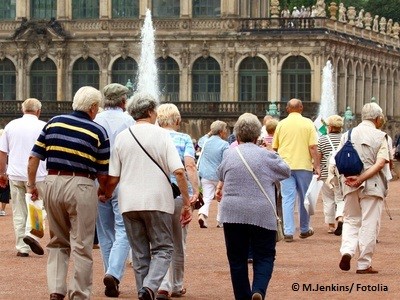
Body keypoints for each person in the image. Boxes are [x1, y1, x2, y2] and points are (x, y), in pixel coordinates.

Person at [100, 92, 192, 300]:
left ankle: (144, 291)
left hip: (129, 203)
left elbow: (113, 177)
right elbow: (178, 171)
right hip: (158, 201)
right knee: (164, 248)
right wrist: (186, 201)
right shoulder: (162, 135)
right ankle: (150, 287)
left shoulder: (123, 137)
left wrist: (105, 194)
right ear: (151, 111)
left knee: (140, 253)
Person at [27, 86, 110, 300]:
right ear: (93, 107)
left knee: (57, 240)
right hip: (82, 184)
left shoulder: (53, 122)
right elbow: (103, 171)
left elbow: (34, 157)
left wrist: (31, 185)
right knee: (82, 243)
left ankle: (56, 290)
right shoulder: (98, 131)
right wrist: (105, 191)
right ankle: (79, 294)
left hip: (52, 181)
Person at [215, 113, 290, 300]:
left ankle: (242, 297)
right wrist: (272, 151)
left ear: (237, 135)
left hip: (232, 212)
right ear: (258, 135)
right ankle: (258, 290)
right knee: (264, 255)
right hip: (261, 211)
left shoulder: (229, 154)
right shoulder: (266, 155)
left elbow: (220, 173)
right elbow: (285, 171)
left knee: (236, 259)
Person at [338, 102, 389, 274]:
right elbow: (381, 163)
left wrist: (352, 179)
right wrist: (362, 179)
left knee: (351, 220)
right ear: (377, 118)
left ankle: (347, 251)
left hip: (349, 183)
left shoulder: (347, 134)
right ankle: (363, 263)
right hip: (372, 185)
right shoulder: (381, 136)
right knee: (369, 223)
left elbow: (338, 160)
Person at [155, 103, 200, 299]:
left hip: (155, 193)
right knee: (178, 242)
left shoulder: (152, 137)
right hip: (178, 195)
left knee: (158, 241)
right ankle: (177, 285)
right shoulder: (183, 138)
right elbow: (189, 166)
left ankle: (162, 284)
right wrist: (195, 190)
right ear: (177, 120)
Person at [94, 83, 135, 297]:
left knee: (104, 231)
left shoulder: (95, 120)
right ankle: (113, 273)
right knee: (123, 229)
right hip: (121, 179)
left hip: (97, 180)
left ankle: (109, 275)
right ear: (122, 101)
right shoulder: (129, 121)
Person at [0, 98, 47, 257]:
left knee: (18, 210)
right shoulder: (43, 126)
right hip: (38, 175)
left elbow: (2, 152)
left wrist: (2, 173)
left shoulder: (10, 125)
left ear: (23, 110)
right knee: (38, 207)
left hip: (15, 174)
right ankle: (31, 235)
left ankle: (22, 247)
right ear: (38, 111)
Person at [272, 99, 320, 242]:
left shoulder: (281, 124)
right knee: (304, 198)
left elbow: (275, 148)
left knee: (288, 198)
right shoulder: (308, 123)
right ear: (301, 108)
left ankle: (288, 231)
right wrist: (317, 165)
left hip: (285, 166)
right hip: (303, 166)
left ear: (287, 109)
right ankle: (304, 229)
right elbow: (313, 147)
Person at [197, 120, 229, 228]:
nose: (226, 132)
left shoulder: (205, 141)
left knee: (207, 197)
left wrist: (210, 133)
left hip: (205, 174)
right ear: (221, 132)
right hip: (219, 176)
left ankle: (202, 214)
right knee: (221, 198)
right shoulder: (225, 144)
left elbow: (201, 140)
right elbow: (226, 161)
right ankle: (220, 221)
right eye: (225, 130)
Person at [317, 115, 344, 235]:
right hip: (341, 172)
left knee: (328, 199)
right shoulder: (345, 138)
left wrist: (316, 168)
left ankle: (331, 225)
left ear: (331, 126)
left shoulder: (322, 139)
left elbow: (319, 156)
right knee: (340, 197)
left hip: (326, 173)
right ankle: (341, 218)